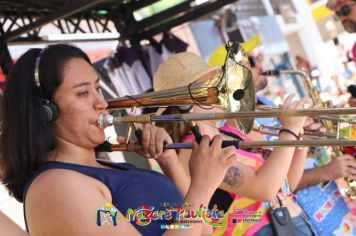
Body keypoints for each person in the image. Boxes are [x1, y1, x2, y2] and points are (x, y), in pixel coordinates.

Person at [0, 44, 237, 236]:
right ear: (45, 110)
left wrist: (169, 161)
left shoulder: (103, 169)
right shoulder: (55, 186)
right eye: (83, 93)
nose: (101, 103)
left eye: (98, 89)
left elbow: (203, 230)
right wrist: (201, 187)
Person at [154, 52, 318, 235]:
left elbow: (285, 186)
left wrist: (300, 138)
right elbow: (265, 190)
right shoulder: (194, 150)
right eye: (211, 86)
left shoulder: (229, 133)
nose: (222, 89)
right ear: (186, 104)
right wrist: (289, 131)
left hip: (291, 223)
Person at [252, 54, 356, 235]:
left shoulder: (266, 104)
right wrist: (327, 171)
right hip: (308, 219)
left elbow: (298, 153)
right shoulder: (240, 125)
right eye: (251, 62)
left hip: (334, 210)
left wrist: (320, 126)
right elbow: (274, 183)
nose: (260, 64)